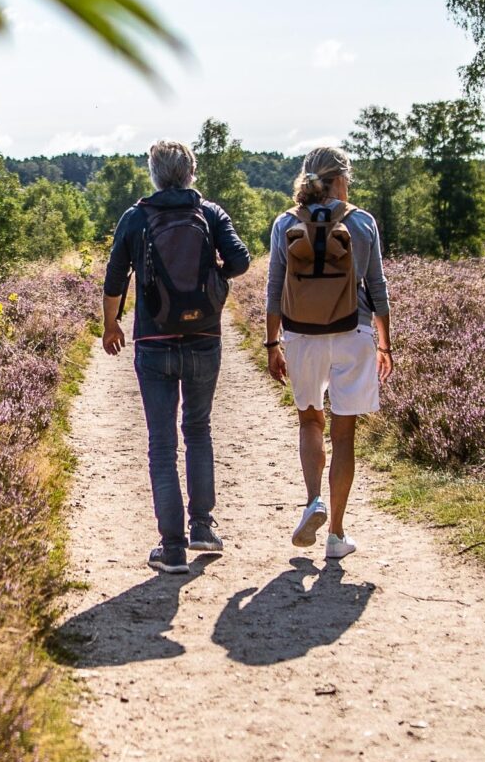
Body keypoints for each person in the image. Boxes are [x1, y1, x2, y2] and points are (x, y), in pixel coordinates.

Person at [102, 139, 254, 574]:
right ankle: (203, 528)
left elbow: (115, 278)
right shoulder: (209, 213)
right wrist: (213, 278)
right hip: (204, 336)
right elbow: (241, 260)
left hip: (154, 342)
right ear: (191, 172)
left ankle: (171, 550)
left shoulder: (136, 217)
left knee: (162, 444)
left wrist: (111, 325)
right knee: (199, 430)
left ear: (154, 173)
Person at [263, 145, 392, 560]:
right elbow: (378, 288)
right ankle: (336, 535)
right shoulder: (363, 222)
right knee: (344, 433)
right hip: (353, 331)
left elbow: (274, 292)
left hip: (302, 335)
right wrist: (385, 342)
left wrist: (271, 344)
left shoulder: (286, 222)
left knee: (310, 422)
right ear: (341, 179)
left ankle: (313, 500)